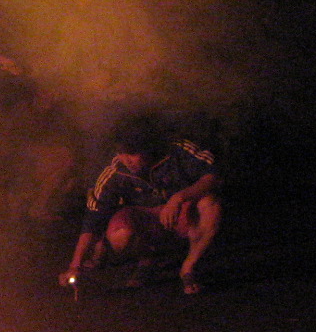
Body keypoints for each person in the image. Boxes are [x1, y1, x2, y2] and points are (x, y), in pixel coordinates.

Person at [60, 113, 222, 295]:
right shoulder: (116, 171)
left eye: (132, 153)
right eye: (121, 153)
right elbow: (94, 218)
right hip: (147, 221)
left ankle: (189, 266)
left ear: (148, 148)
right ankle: (148, 260)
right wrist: (75, 265)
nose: (126, 160)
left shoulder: (177, 151)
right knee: (120, 234)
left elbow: (212, 176)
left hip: (184, 216)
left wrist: (179, 198)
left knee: (210, 204)